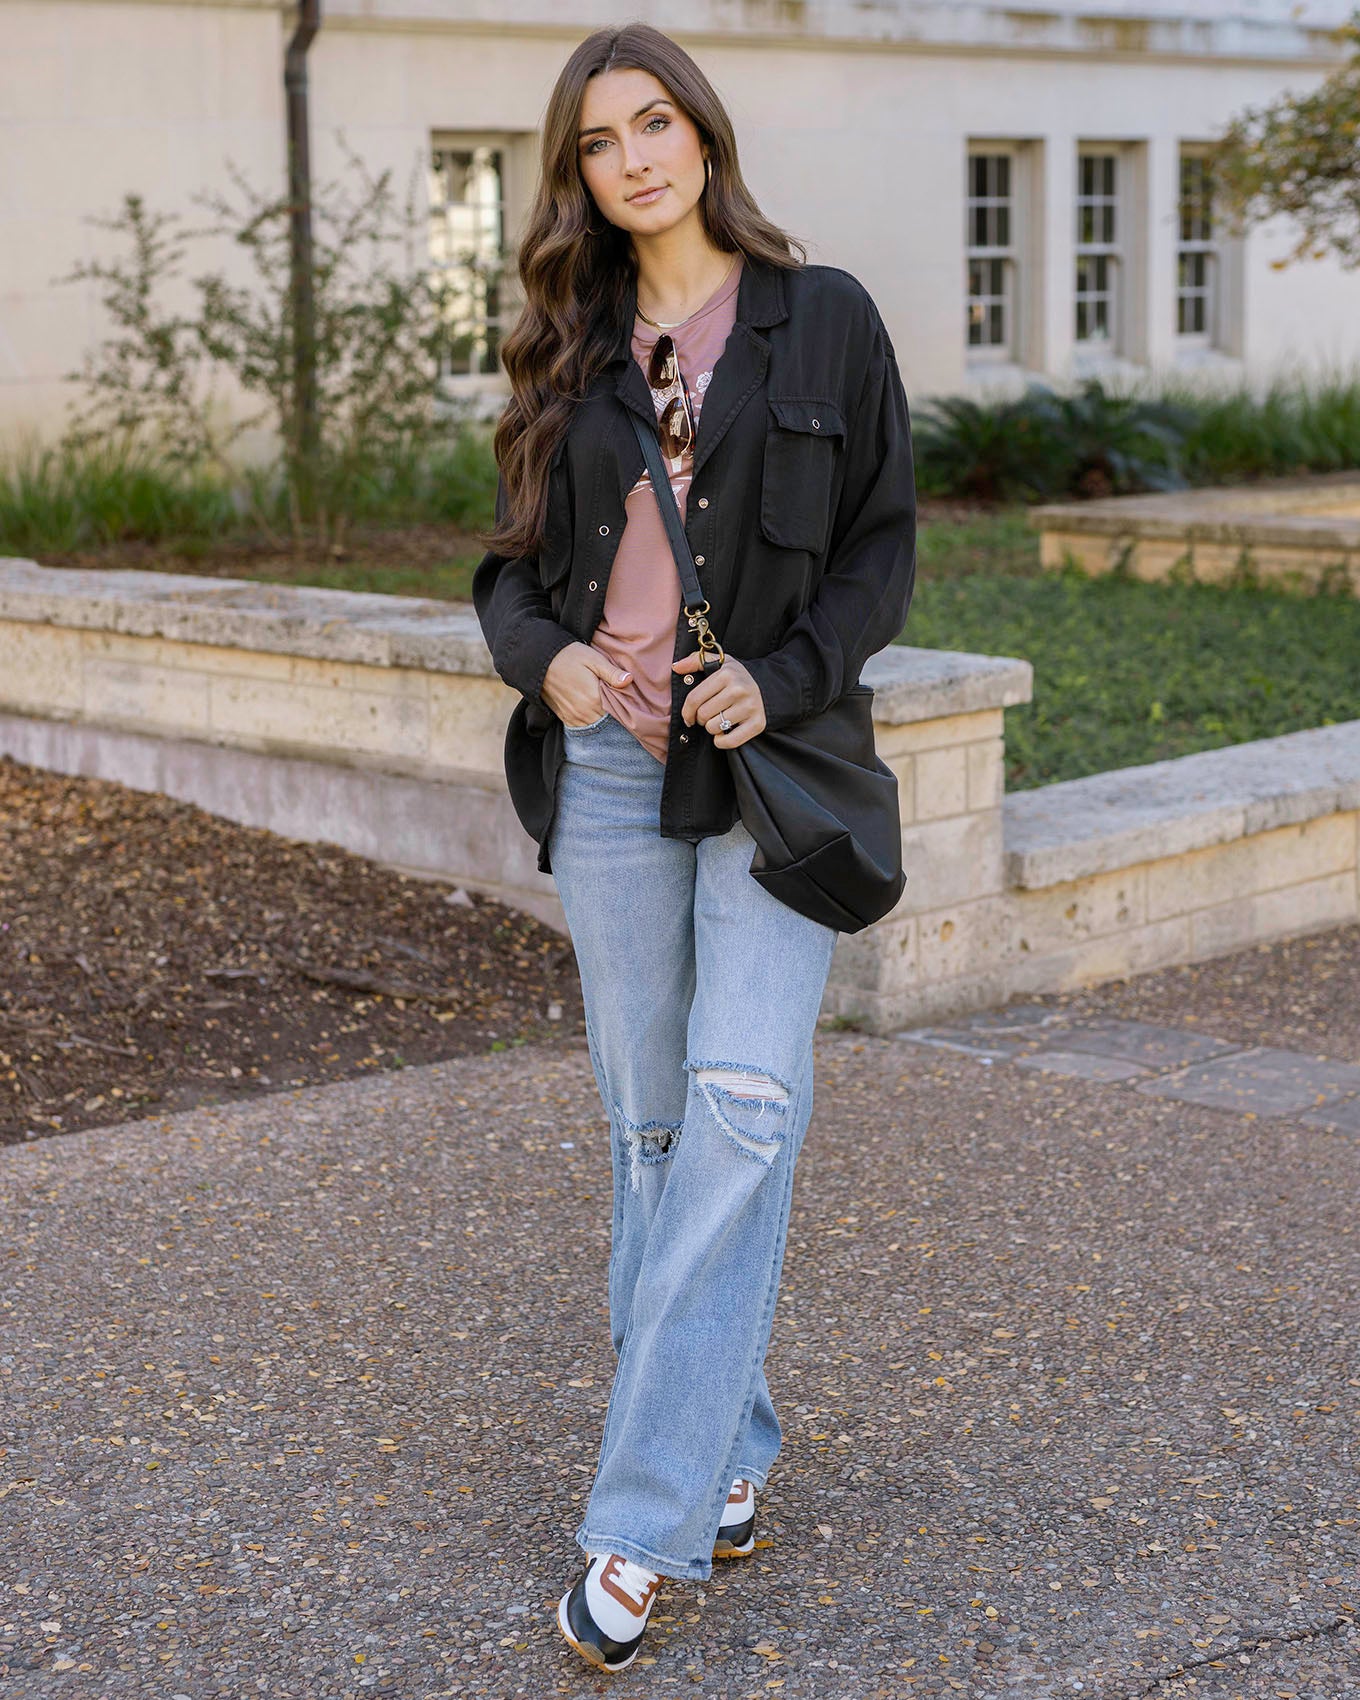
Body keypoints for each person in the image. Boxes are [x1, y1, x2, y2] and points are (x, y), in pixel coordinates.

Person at [472, 21, 916, 1675]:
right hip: (606, 783)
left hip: (775, 771)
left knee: (744, 1108)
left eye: (658, 121)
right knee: (653, 1136)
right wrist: (553, 661)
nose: (637, 156)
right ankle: (728, 1444)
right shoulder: (564, 349)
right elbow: (508, 576)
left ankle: (638, 1521)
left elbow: (882, 555)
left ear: (704, 133)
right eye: (602, 140)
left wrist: (782, 676)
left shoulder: (830, 320)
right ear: (577, 171)